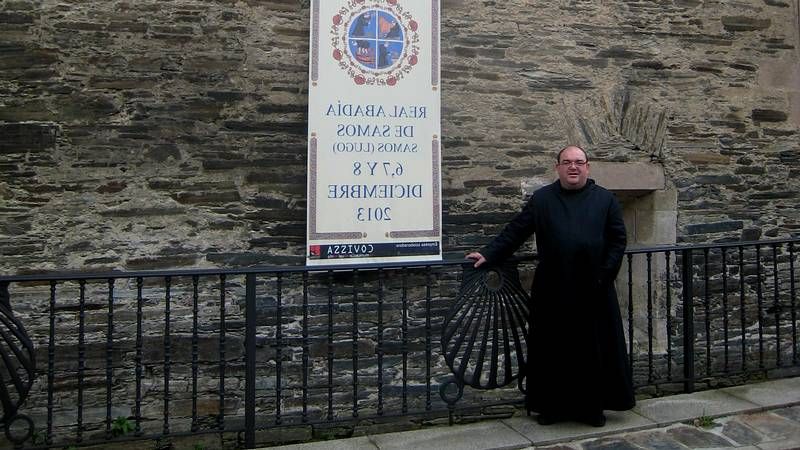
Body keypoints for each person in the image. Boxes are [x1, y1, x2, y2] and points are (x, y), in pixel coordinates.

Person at [466, 145, 635, 427]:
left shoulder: (605, 200)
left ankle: (591, 409)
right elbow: (517, 230)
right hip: (553, 288)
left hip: (594, 288)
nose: (573, 167)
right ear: (557, 167)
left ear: (587, 167)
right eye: (567, 162)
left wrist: (604, 276)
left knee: (591, 351)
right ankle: (552, 408)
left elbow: (618, 241)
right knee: (553, 351)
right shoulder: (543, 199)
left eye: (579, 162)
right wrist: (490, 254)